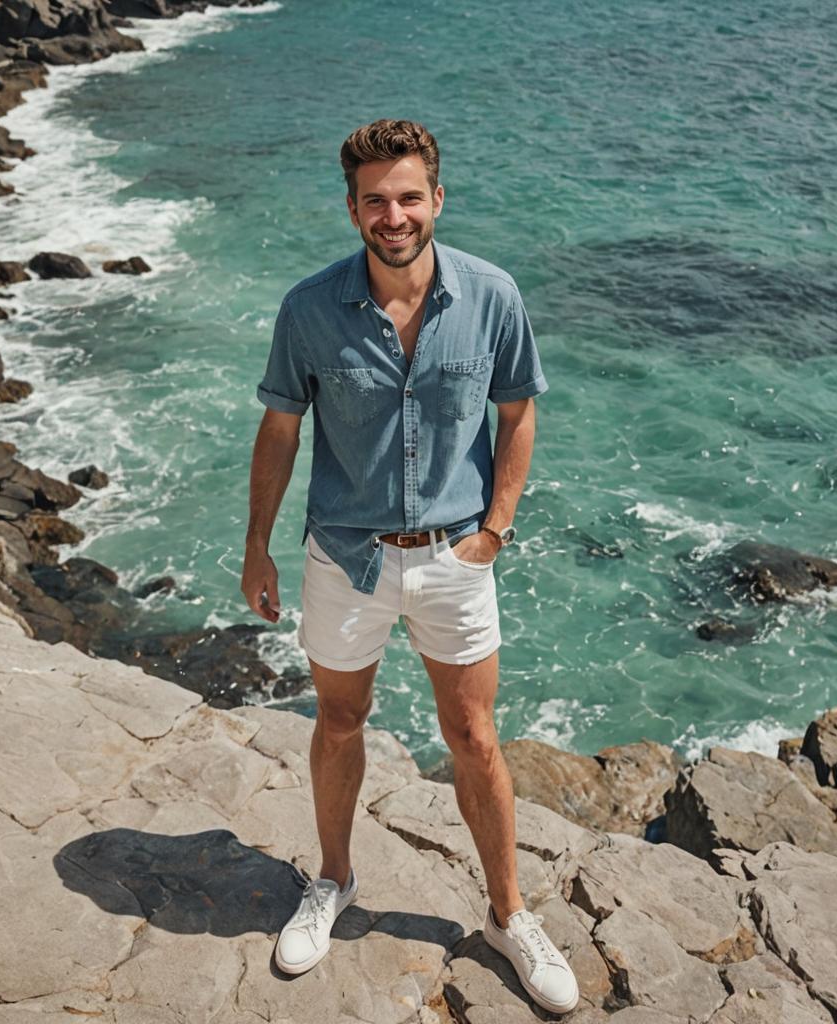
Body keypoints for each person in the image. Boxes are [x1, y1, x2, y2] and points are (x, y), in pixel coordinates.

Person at [241, 119, 578, 1015]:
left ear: (438, 199)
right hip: (343, 557)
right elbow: (280, 428)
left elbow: (517, 414)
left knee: (474, 737)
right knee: (340, 720)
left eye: (409, 197)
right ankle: (334, 881)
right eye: (376, 200)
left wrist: (497, 530)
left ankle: (509, 915)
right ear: (352, 208)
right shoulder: (308, 308)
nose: (394, 216)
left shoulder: (494, 297)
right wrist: (255, 546)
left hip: (455, 557)